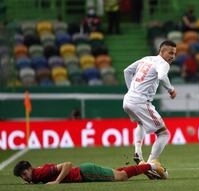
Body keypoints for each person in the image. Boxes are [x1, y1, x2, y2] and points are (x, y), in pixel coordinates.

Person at [123, 40, 177, 179]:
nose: (172, 56)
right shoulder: (163, 64)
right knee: (164, 134)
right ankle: (150, 164)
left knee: (140, 123)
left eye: (174, 54)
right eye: (170, 52)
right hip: (140, 102)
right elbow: (162, 76)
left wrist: (131, 90)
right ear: (162, 51)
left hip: (128, 100)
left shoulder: (146, 59)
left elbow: (127, 71)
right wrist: (171, 90)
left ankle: (137, 152)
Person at [13, 160, 167, 184]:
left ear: (29, 169)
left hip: (84, 173)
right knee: (116, 173)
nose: (25, 178)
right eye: (22, 177)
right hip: (85, 171)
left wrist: (57, 181)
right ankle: (143, 165)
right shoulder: (37, 173)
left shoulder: (39, 173)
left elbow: (67, 164)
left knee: (121, 177)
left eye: (25, 174)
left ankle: (150, 166)